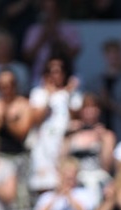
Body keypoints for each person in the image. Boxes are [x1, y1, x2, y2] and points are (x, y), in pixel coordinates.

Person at [27, 54, 83, 196]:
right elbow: (36, 118)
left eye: (59, 71)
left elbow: (77, 117)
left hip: (64, 143)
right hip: (45, 143)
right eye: (51, 71)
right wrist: (48, 95)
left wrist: (69, 93)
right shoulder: (38, 93)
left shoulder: (72, 93)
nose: (55, 75)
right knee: (45, 183)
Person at [0, 68, 32, 210]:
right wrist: (8, 118)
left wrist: (2, 118)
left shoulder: (23, 104)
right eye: (1, 85)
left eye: (9, 84)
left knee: (21, 200)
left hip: (17, 158)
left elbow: (22, 132)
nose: (5, 89)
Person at [62, 92, 116, 203]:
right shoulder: (72, 134)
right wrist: (67, 134)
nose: (90, 112)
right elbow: (62, 160)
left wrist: (103, 140)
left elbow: (106, 165)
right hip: (76, 181)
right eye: (87, 108)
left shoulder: (107, 135)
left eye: (94, 108)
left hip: (97, 181)